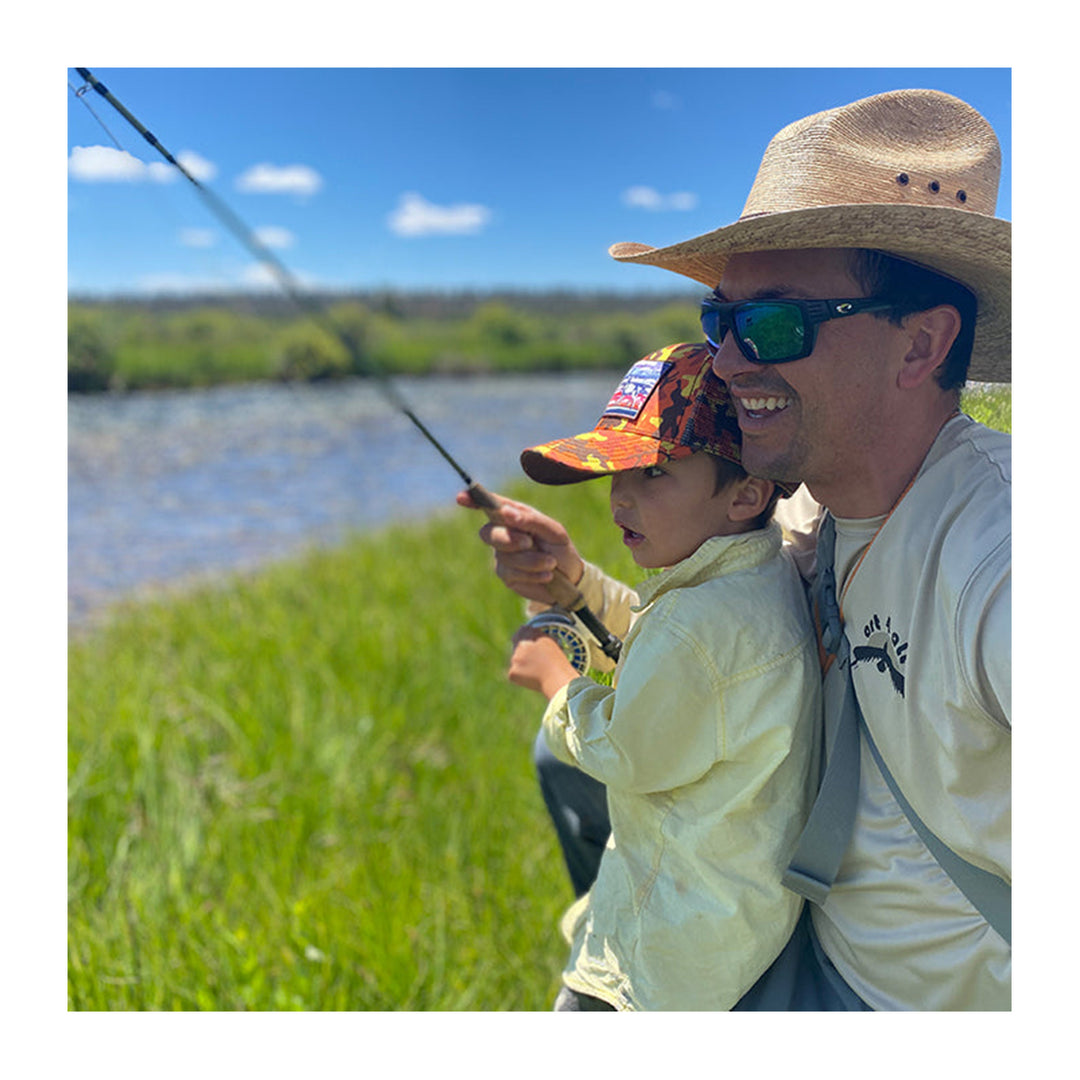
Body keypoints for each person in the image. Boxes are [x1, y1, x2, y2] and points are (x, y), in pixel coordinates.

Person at [460, 88, 1010, 1011]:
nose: (723, 362)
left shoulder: (1002, 549)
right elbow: (712, 635)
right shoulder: (810, 521)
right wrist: (570, 581)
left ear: (921, 344)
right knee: (566, 759)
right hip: (789, 935)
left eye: (774, 324)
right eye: (722, 319)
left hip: (900, 1008)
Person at [504, 341, 819, 1011]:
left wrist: (558, 682)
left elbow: (626, 752)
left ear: (748, 494)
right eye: (619, 472)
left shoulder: (692, 622)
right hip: (732, 928)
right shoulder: (760, 574)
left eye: (655, 474)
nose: (619, 497)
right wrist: (573, 586)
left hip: (660, 960)